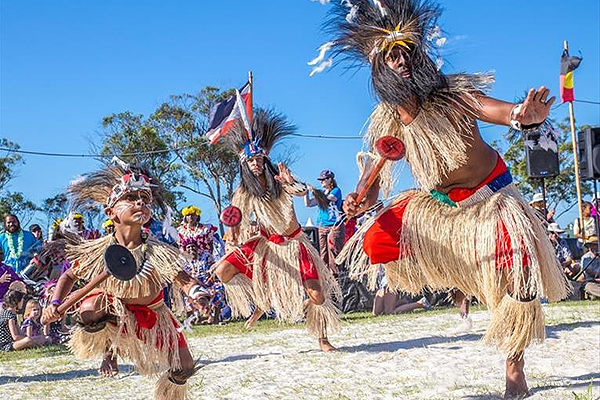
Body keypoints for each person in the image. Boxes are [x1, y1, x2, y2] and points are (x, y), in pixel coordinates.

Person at [320, 1, 570, 397]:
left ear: (419, 55)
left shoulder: (455, 96)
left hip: (493, 201)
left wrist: (524, 114)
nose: (401, 60)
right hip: (439, 208)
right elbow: (376, 167)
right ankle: (459, 275)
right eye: (391, 55)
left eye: (406, 51)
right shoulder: (389, 118)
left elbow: (502, 112)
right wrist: (358, 196)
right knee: (376, 238)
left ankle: (513, 368)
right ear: (379, 68)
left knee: (520, 282)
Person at [42, 162, 203, 400]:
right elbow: (68, 276)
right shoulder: (97, 251)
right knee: (89, 308)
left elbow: (183, 278)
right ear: (111, 212)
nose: (140, 203)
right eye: (130, 197)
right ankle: (110, 346)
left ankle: (168, 395)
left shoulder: (157, 251)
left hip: (154, 316)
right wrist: (55, 302)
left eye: (144, 198)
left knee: (184, 369)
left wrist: (196, 292)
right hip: (115, 312)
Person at [213, 108, 341, 352]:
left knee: (317, 296)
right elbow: (235, 220)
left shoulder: (282, 183)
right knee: (223, 270)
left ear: (265, 159)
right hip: (265, 245)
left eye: (259, 159)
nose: (256, 163)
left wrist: (291, 183)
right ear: (244, 164)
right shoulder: (243, 192)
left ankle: (323, 340)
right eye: (251, 160)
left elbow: (304, 192)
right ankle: (261, 299)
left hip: (294, 244)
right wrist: (233, 236)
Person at [304, 170, 345, 275]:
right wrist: (305, 193)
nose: (321, 181)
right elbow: (308, 204)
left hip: (334, 225)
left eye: (323, 179)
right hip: (322, 226)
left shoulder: (336, 190)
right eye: (320, 180)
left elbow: (328, 200)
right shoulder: (322, 194)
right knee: (323, 253)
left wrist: (315, 192)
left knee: (333, 251)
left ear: (330, 179)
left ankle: (337, 276)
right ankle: (325, 276)